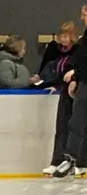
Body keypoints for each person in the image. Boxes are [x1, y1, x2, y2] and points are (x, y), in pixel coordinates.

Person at [34, 21, 79, 174]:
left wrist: (71, 79)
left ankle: (72, 161)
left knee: (73, 129)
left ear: (72, 37)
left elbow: (74, 72)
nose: (63, 39)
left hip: (74, 93)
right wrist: (51, 84)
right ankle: (57, 160)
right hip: (64, 92)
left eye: (66, 36)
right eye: (61, 36)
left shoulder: (77, 53)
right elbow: (57, 74)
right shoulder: (56, 52)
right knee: (61, 128)